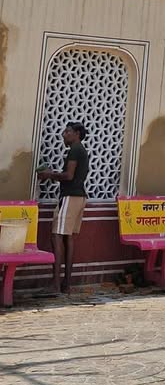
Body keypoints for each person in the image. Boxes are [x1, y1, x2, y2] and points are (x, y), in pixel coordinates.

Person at [38, 122, 89, 295]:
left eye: (67, 131)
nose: (63, 134)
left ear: (77, 134)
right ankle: (66, 284)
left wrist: (49, 174)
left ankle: (55, 284)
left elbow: (68, 176)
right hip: (79, 197)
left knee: (56, 236)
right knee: (68, 238)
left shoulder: (75, 149)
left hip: (70, 196)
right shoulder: (81, 150)